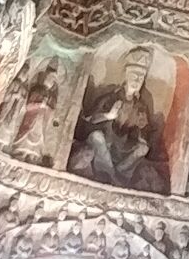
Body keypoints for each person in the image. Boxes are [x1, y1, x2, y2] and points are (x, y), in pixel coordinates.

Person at [69, 47, 167, 192]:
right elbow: (89, 119)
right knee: (97, 137)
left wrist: (142, 134)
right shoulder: (111, 97)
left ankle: (121, 174)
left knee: (143, 148)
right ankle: (109, 174)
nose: (137, 80)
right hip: (107, 143)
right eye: (134, 76)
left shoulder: (140, 107)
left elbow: (144, 132)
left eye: (140, 78)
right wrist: (108, 116)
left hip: (124, 146)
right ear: (126, 76)